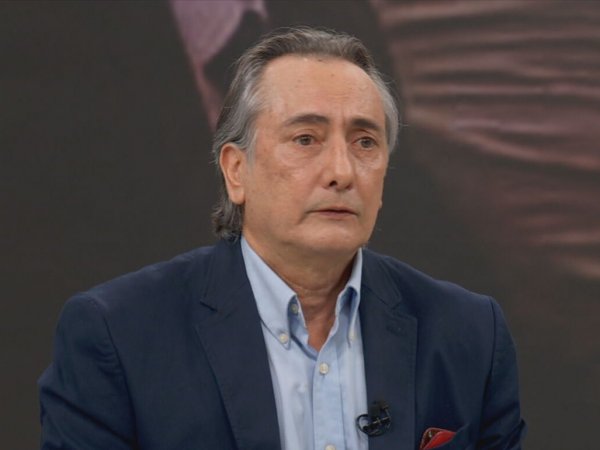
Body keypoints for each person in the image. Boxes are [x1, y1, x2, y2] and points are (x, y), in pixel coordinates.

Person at [39, 27, 526, 450]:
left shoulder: (467, 334)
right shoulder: (118, 335)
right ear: (236, 171)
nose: (341, 172)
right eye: (305, 139)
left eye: (365, 142)